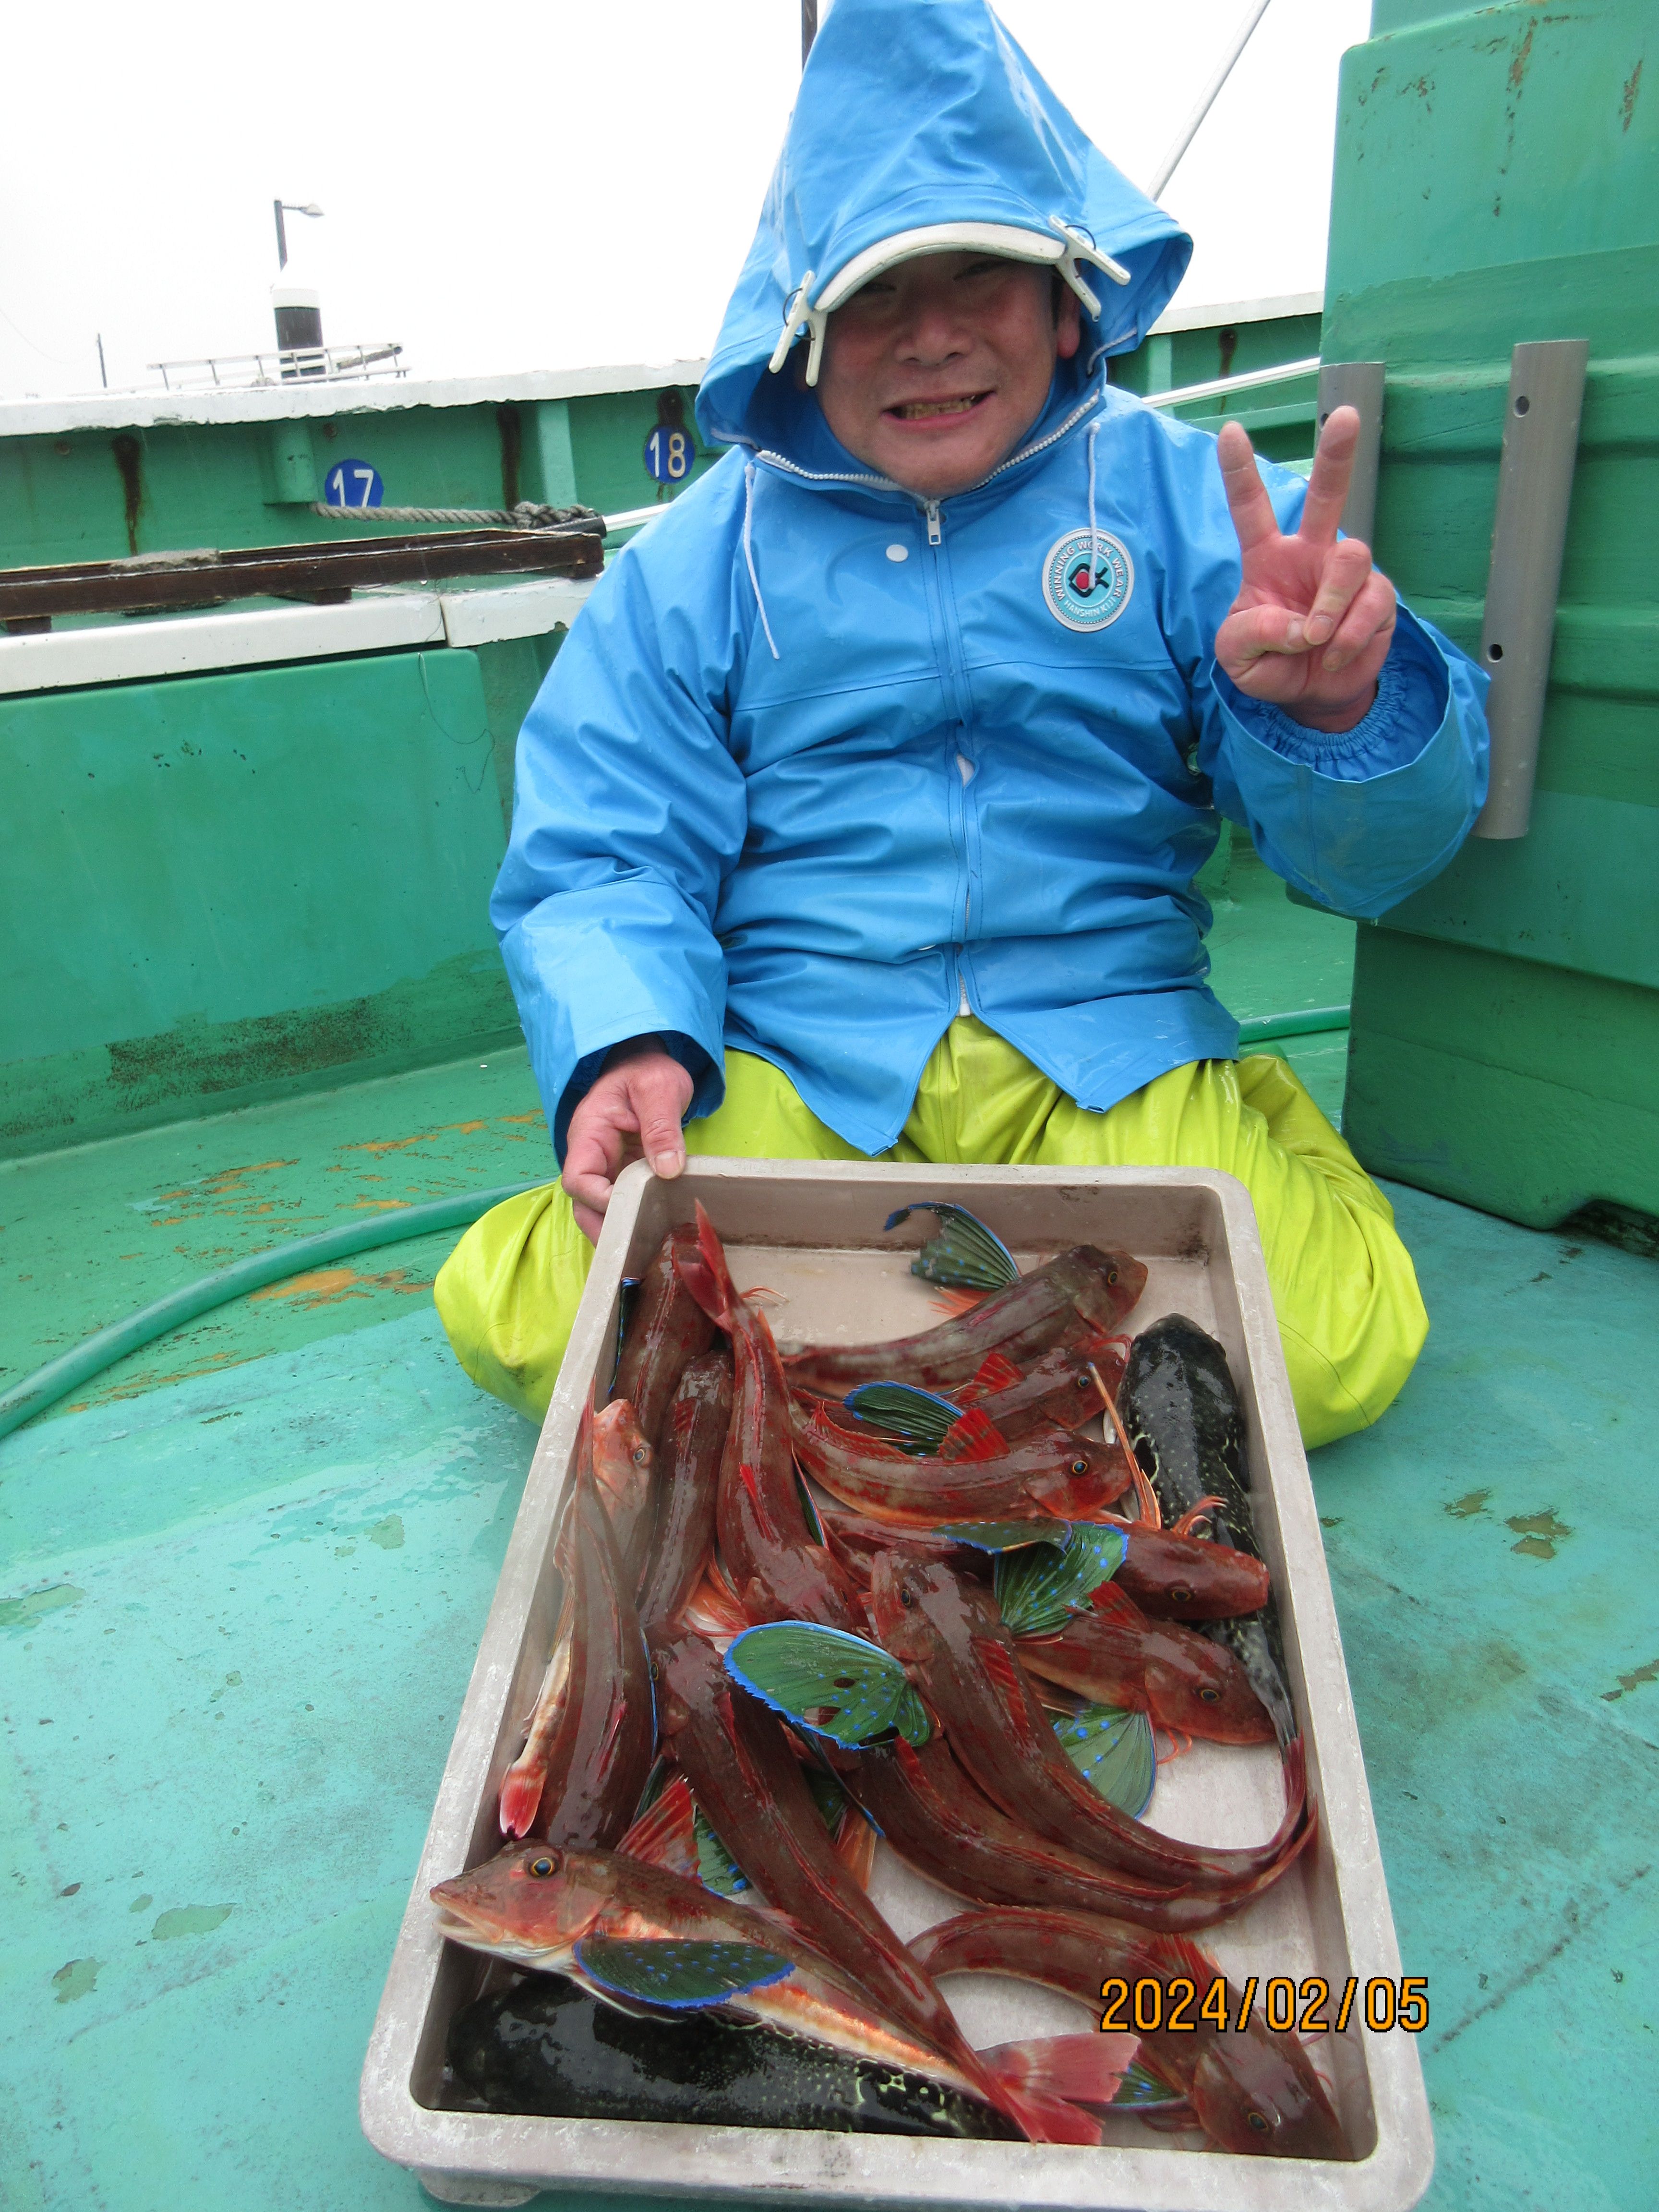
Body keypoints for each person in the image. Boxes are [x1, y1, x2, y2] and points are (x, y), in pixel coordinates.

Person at [434, 0, 1488, 1449]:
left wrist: (1336, 709)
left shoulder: (1202, 510)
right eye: (875, 293)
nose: (930, 338)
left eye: (980, 273)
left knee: (1323, 1364)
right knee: (555, 1332)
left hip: (1104, 1042)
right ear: (802, 335)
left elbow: (1373, 864)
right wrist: (628, 1039)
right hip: (795, 1058)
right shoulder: (692, 563)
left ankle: (1259, 1125)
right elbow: (607, 851)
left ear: (1067, 300)